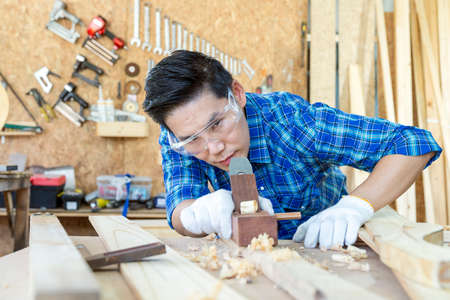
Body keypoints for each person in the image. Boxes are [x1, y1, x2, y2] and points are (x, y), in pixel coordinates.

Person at [143, 50, 441, 249]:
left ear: (237, 94)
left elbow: (412, 143)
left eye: (218, 124)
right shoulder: (180, 137)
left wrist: (355, 207)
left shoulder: (293, 122)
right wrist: (196, 215)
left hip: (329, 250)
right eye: (193, 139)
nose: (215, 148)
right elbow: (180, 208)